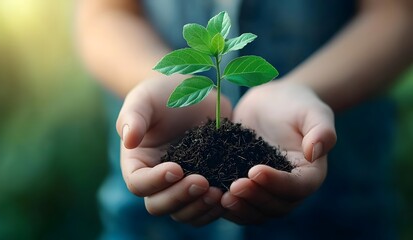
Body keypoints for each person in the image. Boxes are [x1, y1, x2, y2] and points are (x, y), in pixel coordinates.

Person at [76, 0, 413, 239]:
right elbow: (105, 13)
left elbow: (397, 15)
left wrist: (304, 90)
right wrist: (154, 83)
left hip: (337, 214)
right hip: (149, 229)